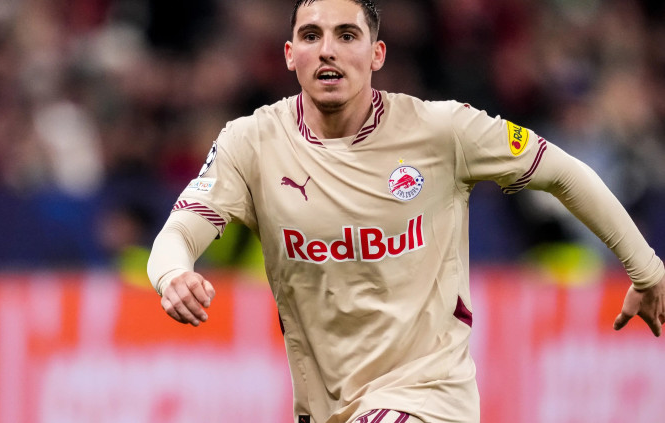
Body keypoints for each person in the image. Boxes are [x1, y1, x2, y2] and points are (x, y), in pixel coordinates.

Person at [147, 0, 665, 422]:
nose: (327, 50)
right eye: (311, 35)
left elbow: (562, 172)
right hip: (327, 406)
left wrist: (646, 270)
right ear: (289, 54)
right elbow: (179, 233)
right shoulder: (251, 142)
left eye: (347, 35)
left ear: (376, 54)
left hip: (428, 398)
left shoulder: (441, 131)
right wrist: (173, 274)